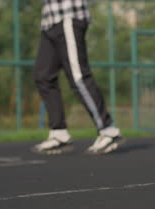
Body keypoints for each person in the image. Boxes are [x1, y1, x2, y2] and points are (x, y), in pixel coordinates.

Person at [32, 0, 123, 155]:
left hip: (68, 15)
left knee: (78, 76)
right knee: (43, 76)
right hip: (49, 20)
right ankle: (59, 133)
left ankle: (109, 130)